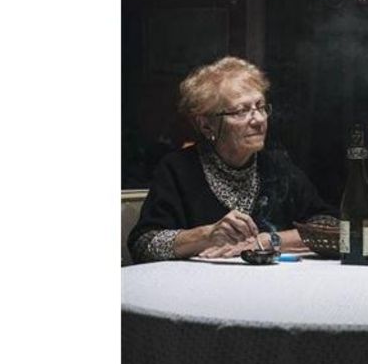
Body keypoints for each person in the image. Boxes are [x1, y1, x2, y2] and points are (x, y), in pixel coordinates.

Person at [127, 56, 331, 262]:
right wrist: (205, 236)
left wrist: (269, 240)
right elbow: (143, 245)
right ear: (206, 125)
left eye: (260, 107)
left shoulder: (277, 167)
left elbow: (329, 226)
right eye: (241, 111)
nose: (259, 120)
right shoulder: (178, 169)